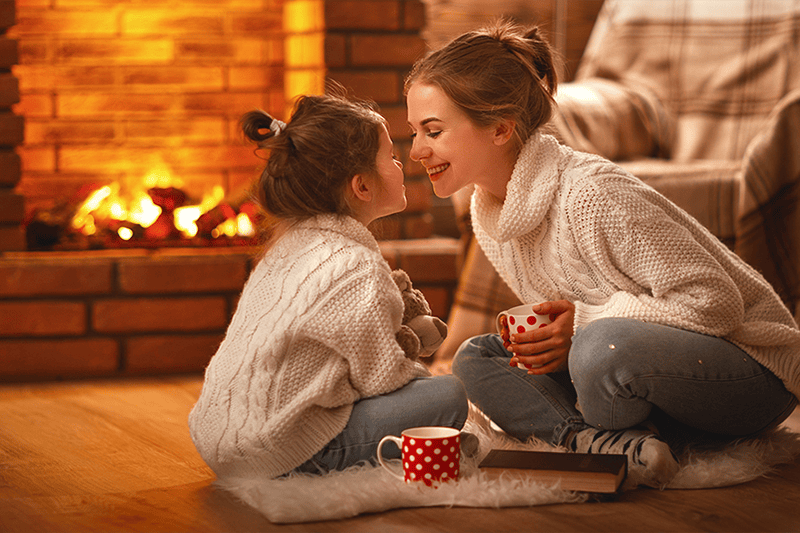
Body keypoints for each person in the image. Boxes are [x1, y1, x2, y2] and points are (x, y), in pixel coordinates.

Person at [405, 21, 800, 487]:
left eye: (432, 131)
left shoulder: (592, 195)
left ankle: (606, 428)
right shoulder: (491, 213)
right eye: (414, 132)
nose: (415, 152)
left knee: (599, 348)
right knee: (475, 360)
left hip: (749, 375)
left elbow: (715, 302)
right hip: (625, 372)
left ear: (499, 128)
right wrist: (553, 342)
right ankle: (606, 443)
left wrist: (584, 325)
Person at [188, 90, 469, 481]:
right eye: (389, 156)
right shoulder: (356, 268)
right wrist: (416, 369)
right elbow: (383, 380)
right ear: (362, 187)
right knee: (446, 396)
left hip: (215, 437)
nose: (401, 162)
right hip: (275, 451)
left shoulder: (285, 250)